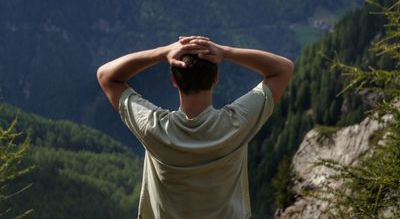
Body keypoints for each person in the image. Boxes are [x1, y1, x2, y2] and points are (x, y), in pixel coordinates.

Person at [97, 36, 294, 219]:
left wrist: (162, 52)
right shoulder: (236, 124)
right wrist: (225, 52)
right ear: (216, 78)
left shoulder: (155, 128)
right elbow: (283, 69)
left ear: (174, 81)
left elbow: (107, 76)